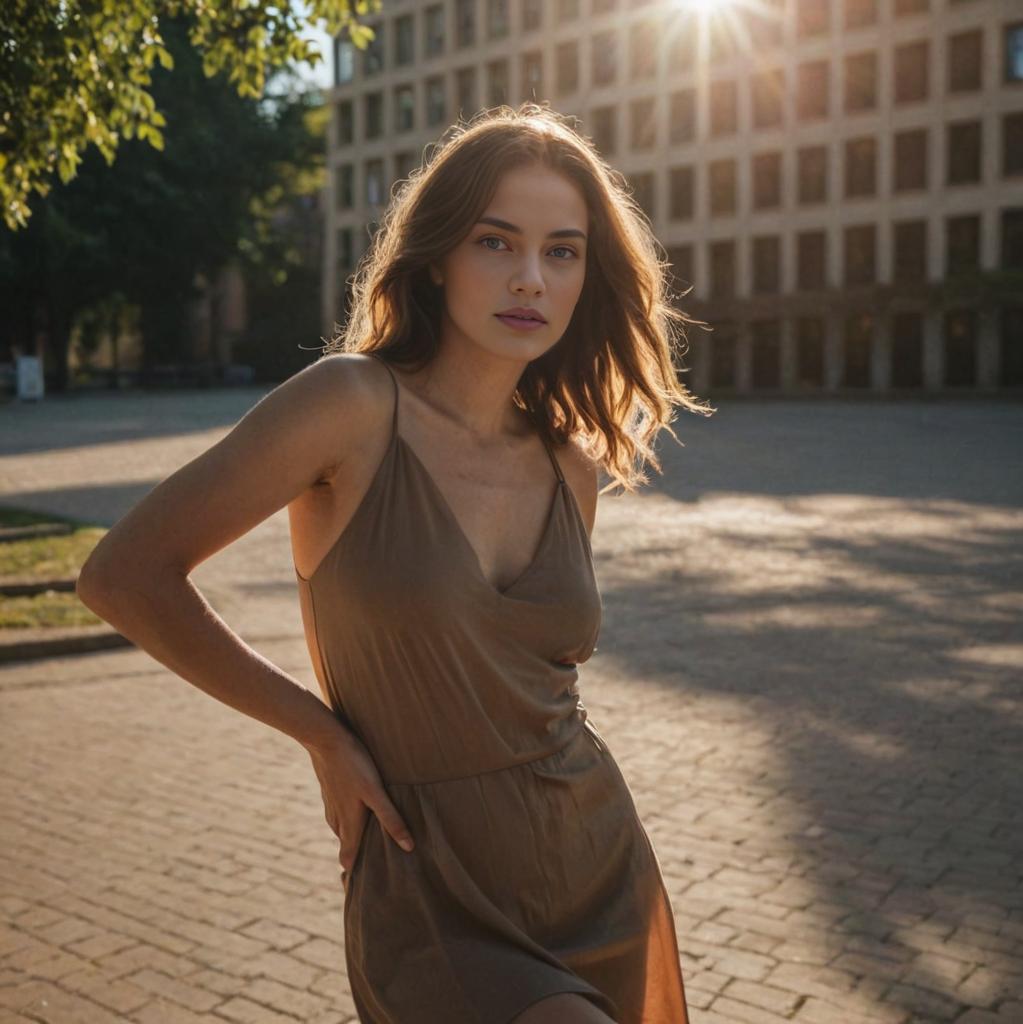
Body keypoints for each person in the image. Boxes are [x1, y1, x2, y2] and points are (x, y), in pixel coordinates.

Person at [77, 103, 715, 1023]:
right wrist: (321, 735)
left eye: (562, 251)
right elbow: (123, 575)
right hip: (429, 884)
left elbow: (525, 679)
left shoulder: (568, 463)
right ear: (439, 253)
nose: (530, 277)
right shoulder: (350, 407)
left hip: (594, 860)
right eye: (497, 243)